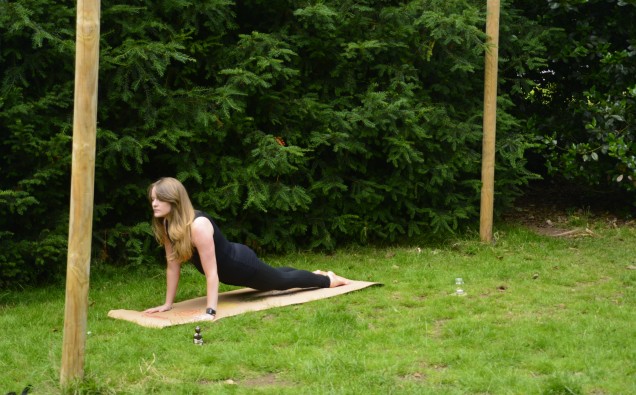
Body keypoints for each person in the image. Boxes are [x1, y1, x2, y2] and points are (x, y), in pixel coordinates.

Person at [143, 177, 350, 319]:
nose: (154, 203)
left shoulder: (198, 226)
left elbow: (212, 272)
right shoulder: (168, 224)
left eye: (159, 199)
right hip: (230, 271)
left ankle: (329, 279)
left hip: (240, 264)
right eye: (152, 198)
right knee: (276, 275)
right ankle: (315, 274)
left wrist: (210, 311)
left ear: (175, 200)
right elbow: (172, 266)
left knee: (281, 283)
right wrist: (167, 304)